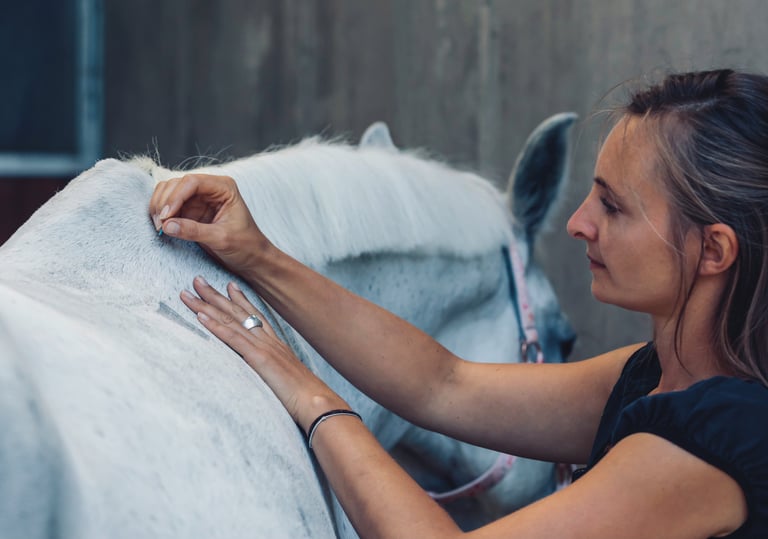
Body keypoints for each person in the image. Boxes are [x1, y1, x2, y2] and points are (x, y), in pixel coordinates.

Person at [149, 69, 768, 538]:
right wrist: (257, 254)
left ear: (713, 250)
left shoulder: (720, 436)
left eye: (612, 206)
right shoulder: (654, 374)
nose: (579, 223)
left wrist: (309, 394)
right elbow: (443, 385)